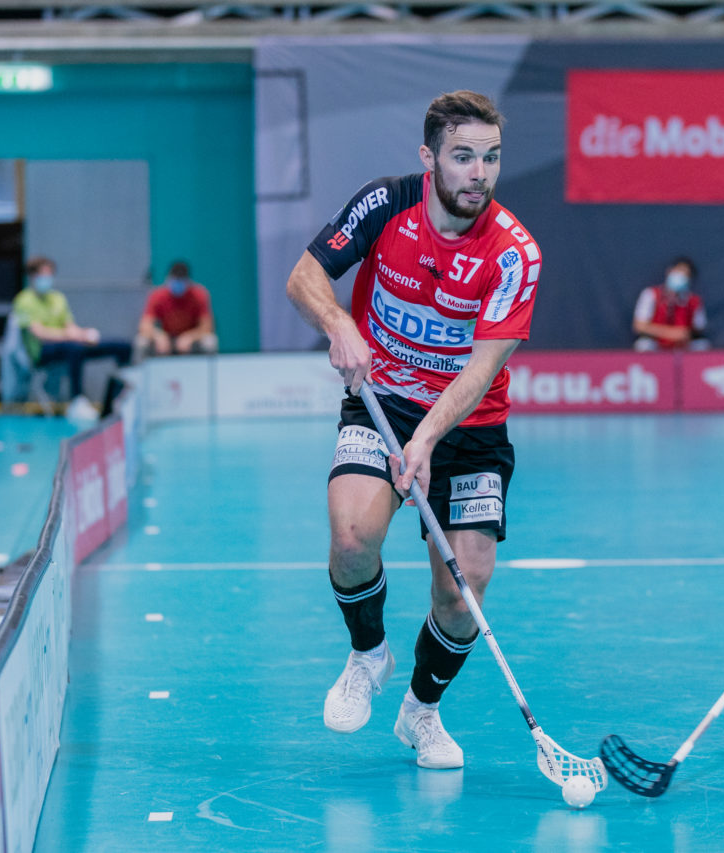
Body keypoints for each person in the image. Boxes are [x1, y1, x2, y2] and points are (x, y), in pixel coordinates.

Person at [285, 90, 541, 770]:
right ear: (429, 158)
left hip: (468, 424)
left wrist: (426, 441)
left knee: (464, 590)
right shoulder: (385, 203)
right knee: (351, 538)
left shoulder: (515, 253)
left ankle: (421, 710)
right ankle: (368, 652)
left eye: (489, 158)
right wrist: (340, 324)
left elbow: (483, 370)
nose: (478, 173)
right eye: (463, 157)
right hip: (384, 401)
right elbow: (305, 276)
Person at [11, 256, 132, 419]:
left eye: (50, 275)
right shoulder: (24, 300)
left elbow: (70, 326)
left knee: (122, 346)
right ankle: (77, 401)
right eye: (43, 275)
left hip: (69, 344)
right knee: (74, 349)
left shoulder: (57, 298)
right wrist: (68, 336)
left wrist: (83, 335)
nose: (47, 279)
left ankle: (119, 398)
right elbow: (39, 333)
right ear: (32, 276)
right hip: (41, 352)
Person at [134, 261, 218, 359]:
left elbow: (207, 327)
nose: (178, 285)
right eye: (175, 281)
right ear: (168, 279)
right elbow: (144, 325)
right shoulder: (157, 296)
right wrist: (158, 336)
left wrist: (190, 337)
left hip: (190, 339)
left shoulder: (199, 295)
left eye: (181, 281)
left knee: (210, 342)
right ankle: (139, 371)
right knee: (141, 342)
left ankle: (207, 373)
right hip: (166, 338)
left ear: (188, 281)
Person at [632, 257, 710, 351]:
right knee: (643, 345)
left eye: (685, 274)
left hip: (682, 345)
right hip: (656, 343)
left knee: (702, 345)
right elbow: (639, 326)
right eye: (679, 271)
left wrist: (685, 334)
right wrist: (670, 334)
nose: (681, 276)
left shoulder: (694, 301)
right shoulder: (651, 294)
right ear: (669, 271)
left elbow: (699, 328)